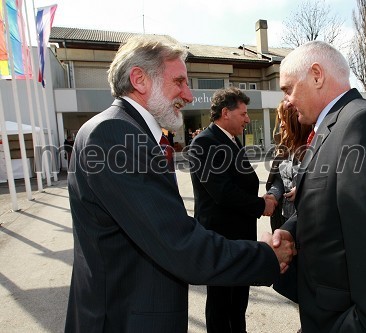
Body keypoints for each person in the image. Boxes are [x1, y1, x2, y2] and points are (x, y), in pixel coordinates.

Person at [64, 35, 295, 333]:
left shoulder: (127, 131)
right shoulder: (114, 134)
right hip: (124, 319)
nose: (188, 95)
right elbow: (176, 241)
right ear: (140, 79)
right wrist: (265, 257)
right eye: (179, 82)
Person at [272, 41, 366, 332]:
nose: (287, 101)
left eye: (287, 88)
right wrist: (290, 229)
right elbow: (326, 201)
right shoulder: (330, 126)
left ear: (317, 75)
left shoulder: (363, 123)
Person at [188, 87, 277, 333]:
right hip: (220, 239)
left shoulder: (230, 139)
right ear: (226, 113)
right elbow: (222, 192)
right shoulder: (205, 142)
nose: (248, 119)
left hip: (238, 237)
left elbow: (239, 182)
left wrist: (262, 198)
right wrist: (262, 205)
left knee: (237, 301)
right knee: (221, 303)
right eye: (244, 113)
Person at [266, 101, 311, 231]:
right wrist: (273, 194)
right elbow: (279, 180)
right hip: (285, 219)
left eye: (283, 119)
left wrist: (302, 189)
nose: (281, 124)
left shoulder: (314, 144)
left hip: (307, 220)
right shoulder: (284, 146)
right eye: (279, 120)